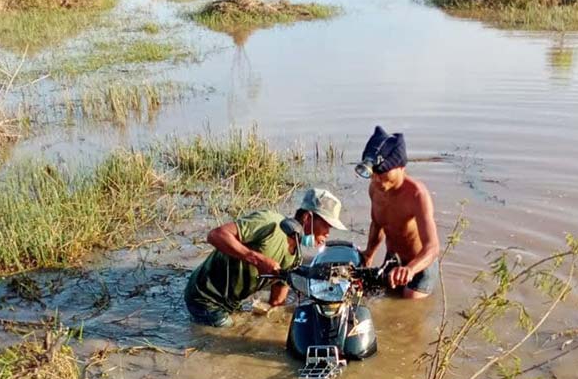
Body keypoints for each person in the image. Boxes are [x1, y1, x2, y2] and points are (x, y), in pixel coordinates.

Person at [184, 188, 347, 327]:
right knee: (232, 334)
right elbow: (215, 235)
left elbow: (277, 301)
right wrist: (256, 259)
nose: (328, 233)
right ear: (307, 218)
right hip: (204, 296)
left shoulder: (295, 257)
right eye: (326, 225)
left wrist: (274, 321)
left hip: (231, 302)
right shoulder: (269, 223)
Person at [357, 126, 440, 299]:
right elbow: (377, 224)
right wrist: (369, 254)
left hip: (419, 265)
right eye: (374, 174)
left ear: (400, 166)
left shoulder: (417, 195)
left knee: (408, 304)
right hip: (393, 260)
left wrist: (410, 269)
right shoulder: (375, 188)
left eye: (382, 173)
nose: (377, 179)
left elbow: (432, 247)